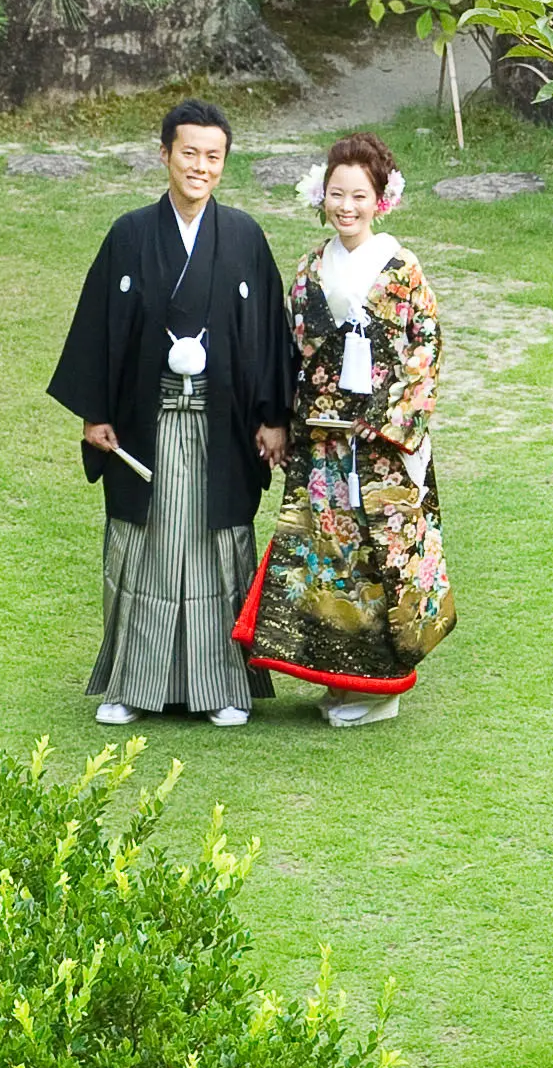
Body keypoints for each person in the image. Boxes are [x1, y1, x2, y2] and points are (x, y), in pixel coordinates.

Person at [48, 97, 292, 727]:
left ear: (224, 163)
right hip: (145, 423)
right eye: (189, 153)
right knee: (144, 547)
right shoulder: (130, 235)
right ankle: (132, 684)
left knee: (217, 545)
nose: (200, 167)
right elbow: (98, 326)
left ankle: (222, 687)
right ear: (164, 155)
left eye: (213, 156)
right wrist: (94, 412)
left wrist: (273, 418)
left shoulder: (243, 237)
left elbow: (269, 334)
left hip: (222, 425)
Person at [241, 130, 449, 727]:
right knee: (328, 557)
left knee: (380, 559)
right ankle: (340, 678)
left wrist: (384, 419)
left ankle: (382, 687)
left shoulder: (402, 268)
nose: (347, 206)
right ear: (322, 196)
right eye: (337, 194)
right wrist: (286, 420)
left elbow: (426, 347)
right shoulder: (310, 269)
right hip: (323, 441)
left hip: (379, 445)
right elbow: (291, 352)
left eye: (359, 195)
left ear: (381, 199)